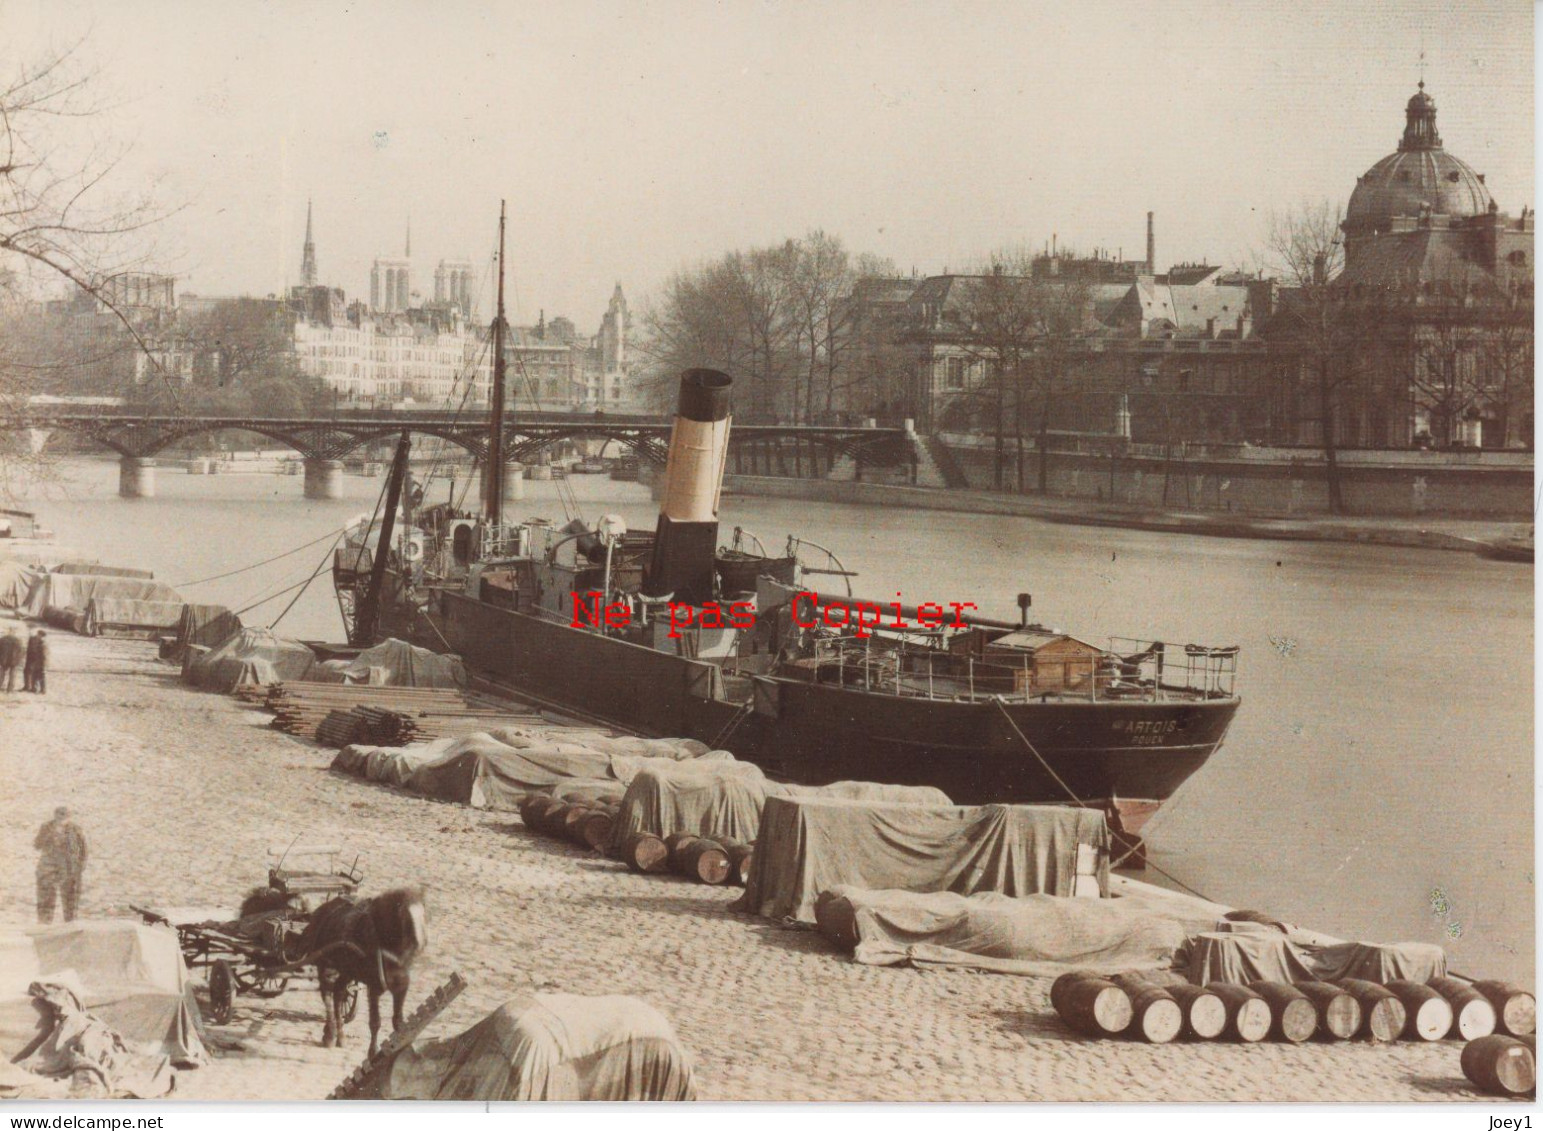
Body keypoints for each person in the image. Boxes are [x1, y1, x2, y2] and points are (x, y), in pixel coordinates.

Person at [34, 807, 87, 923]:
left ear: (69, 816)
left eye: (65, 814)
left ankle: (71, 923)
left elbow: (83, 849)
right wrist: (48, 836)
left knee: (70, 897)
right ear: (55, 815)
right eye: (59, 814)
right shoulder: (46, 827)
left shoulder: (75, 829)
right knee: (45, 897)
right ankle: (44, 924)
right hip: (49, 867)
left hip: (69, 867)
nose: (61, 817)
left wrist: (81, 865)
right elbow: (37, 845)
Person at [24, 629, 47, 694]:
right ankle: (34, 688)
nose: (38, 636)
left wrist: (43, 663)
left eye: (40, 635)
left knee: (41, 676)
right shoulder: (35, 640)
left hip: (40, 662)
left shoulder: (43, 644)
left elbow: (44, 655)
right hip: (35, 661)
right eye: (38, 634)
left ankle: (43, 690)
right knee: (34, 674)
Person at [0, 627, 22, 691]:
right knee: (12, 675)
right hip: (14, 661)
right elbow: (21, 652)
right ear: (14, 632)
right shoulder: (18, 640)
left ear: (8, 631)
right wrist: (18, 660)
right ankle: (10, 689)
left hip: (4, 660)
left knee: (2, 674)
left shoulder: (3, 639)